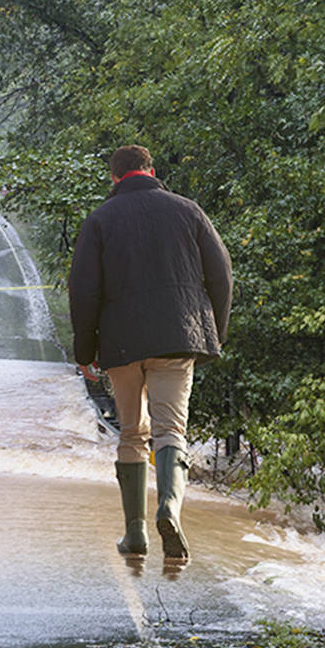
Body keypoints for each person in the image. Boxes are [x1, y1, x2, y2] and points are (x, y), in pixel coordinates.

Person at [68, 145, 232, 562]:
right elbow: (221, 275)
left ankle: (135, 534)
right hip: (178, 338)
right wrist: (213, 333)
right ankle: (170, 510)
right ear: (152, 171)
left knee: (131, 433)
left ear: (114, 177)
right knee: (170, 429)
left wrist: (85, 350)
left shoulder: (99, 220)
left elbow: (84, 291)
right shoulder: (188, 211)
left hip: (121, 344)